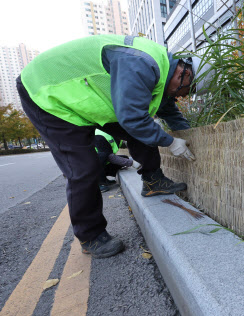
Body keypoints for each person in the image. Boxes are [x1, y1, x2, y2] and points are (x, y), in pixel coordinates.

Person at [16, 34, 201, 258]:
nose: (181, 97)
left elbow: (169, 112)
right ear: (184, 73)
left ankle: (153, 180)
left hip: (84, 98)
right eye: (185, 92)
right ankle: (90, 236)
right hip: (47, 93)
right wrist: (171, 142)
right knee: (83, 167)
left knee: (142, 127)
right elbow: (133, 119)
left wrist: (191, 133)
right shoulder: (142, 64)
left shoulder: (162, 73)